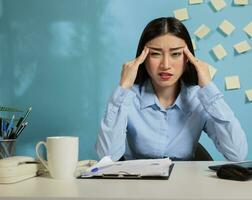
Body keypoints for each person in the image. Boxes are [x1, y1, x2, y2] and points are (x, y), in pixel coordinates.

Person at [95, 17, 248, 162]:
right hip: (135, 185)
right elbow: (107, 157)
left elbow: (237, 154)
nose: (165, 64)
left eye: (176, 54)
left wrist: (208, 87)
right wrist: (123, 88)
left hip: (184, 186)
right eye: (155, 54)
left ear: (187, 58)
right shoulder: (128, 98)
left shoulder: (200, 99)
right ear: (143, 57)